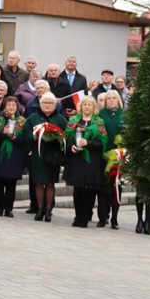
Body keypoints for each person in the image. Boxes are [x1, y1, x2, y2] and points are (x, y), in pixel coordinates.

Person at [64, 95, 107, 228]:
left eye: (89, 105)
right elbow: (66, 137)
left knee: (89, 190)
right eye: (84, 105)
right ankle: (77, 216)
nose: (87, 107)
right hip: (76, 159)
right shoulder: (73, 120)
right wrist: (71, 145)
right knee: (78, 190)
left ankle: (85, 217)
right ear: (80, 107)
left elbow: (102, 142)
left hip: (91, 161)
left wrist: (88, 143)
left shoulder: (98, 122)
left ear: (93, 107)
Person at [24, 92, 67, 222]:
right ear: (40, 104)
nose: (47, 105)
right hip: (38, 154)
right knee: (38, 182)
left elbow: (67, 136)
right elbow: (26, 135)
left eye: (50, 103)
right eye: (44, 103)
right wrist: (36, 137)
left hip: (53, 155)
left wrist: (57, 139)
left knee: (50, 182)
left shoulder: (60, 119)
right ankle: (39, 209)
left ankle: (48, 210)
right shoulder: (33, 118)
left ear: (55, 105)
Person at [0, 96, 27, 217]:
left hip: (15, 155)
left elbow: (24, 141)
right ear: (4, 106)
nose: (11, 107)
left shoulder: (22, 121)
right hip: (0, 155)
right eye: (8, 105)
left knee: (11, 184)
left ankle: (9, 208)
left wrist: (14, 138)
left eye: (13, 105)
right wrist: (3, 133)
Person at [96, 90, 124, 228]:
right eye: (109, 98)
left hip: (118, 155)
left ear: (118, 100)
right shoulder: (100, 114)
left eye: (114, 98)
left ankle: (115, 218)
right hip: (103, 154)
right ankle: (102, 217)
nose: (111, 100)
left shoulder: (124, 115)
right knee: (103, 187)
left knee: (116, 187)